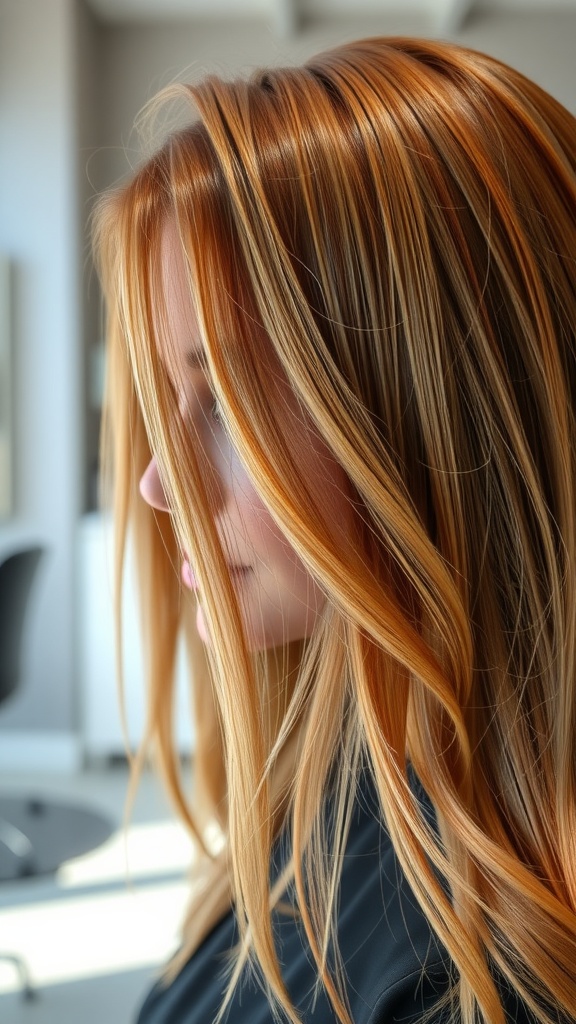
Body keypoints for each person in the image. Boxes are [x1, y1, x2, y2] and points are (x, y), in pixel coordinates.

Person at [93, 36, 576, 1024]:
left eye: (224, 400)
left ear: (436, 414)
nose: (153, 481)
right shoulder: (349, 746)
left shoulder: (462, 984)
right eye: (166, 402)